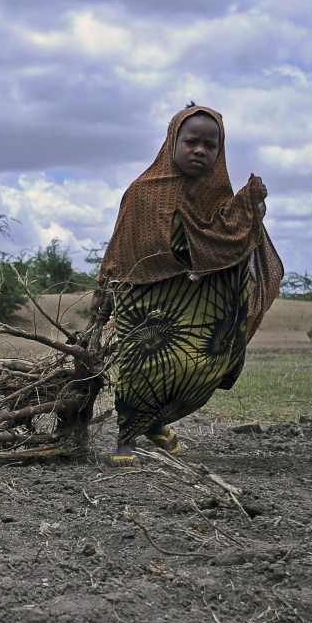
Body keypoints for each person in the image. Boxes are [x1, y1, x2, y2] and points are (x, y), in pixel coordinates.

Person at [92, 103, 283, 468]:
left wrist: (248, 205)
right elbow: (119, 244)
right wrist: (104, 290)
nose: (200, 150)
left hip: (194, 303)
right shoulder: (142, 193)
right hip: (142, 297)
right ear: (172, 142)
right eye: (191, 141)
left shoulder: (219, 199)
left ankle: (156, 422)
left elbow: (231, 240)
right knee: (141, 367)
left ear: (219, 151)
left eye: (210, 146)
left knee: (200, 362)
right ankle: (127, 439)